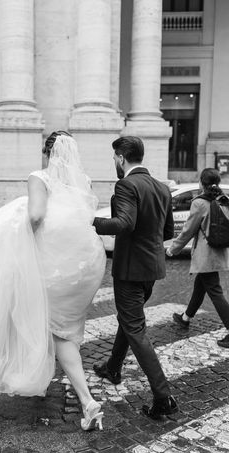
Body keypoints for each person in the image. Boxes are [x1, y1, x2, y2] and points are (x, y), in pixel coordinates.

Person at [0, 132, 107, 431]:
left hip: (52, 268)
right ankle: (82, 399)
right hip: (84, 268)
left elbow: (36, 215)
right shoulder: (84, 181)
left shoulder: (40, 177)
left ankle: (70, 392)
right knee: (61, 332)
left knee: (18, 312)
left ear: (47, 153)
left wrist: (11, 232)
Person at [92, 136, 178, 420]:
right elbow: (167, 233)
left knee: (135, 328)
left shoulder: (126, 184)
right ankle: (112, 367)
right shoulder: (162, 187)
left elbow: (123, 224)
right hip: (151, 269)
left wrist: (90, 221)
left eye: (113, 159)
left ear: (120, 158)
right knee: (129, 321)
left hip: (130, 271)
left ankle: (163, 396)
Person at [166, 168, 229, 348]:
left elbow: (189, 230)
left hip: (207, 254)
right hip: (221, 250)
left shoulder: (200, 203)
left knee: (215, 291)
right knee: (200, 286)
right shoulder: (223, 199)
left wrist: (173, 249)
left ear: (201, 182)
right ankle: (186, 318)